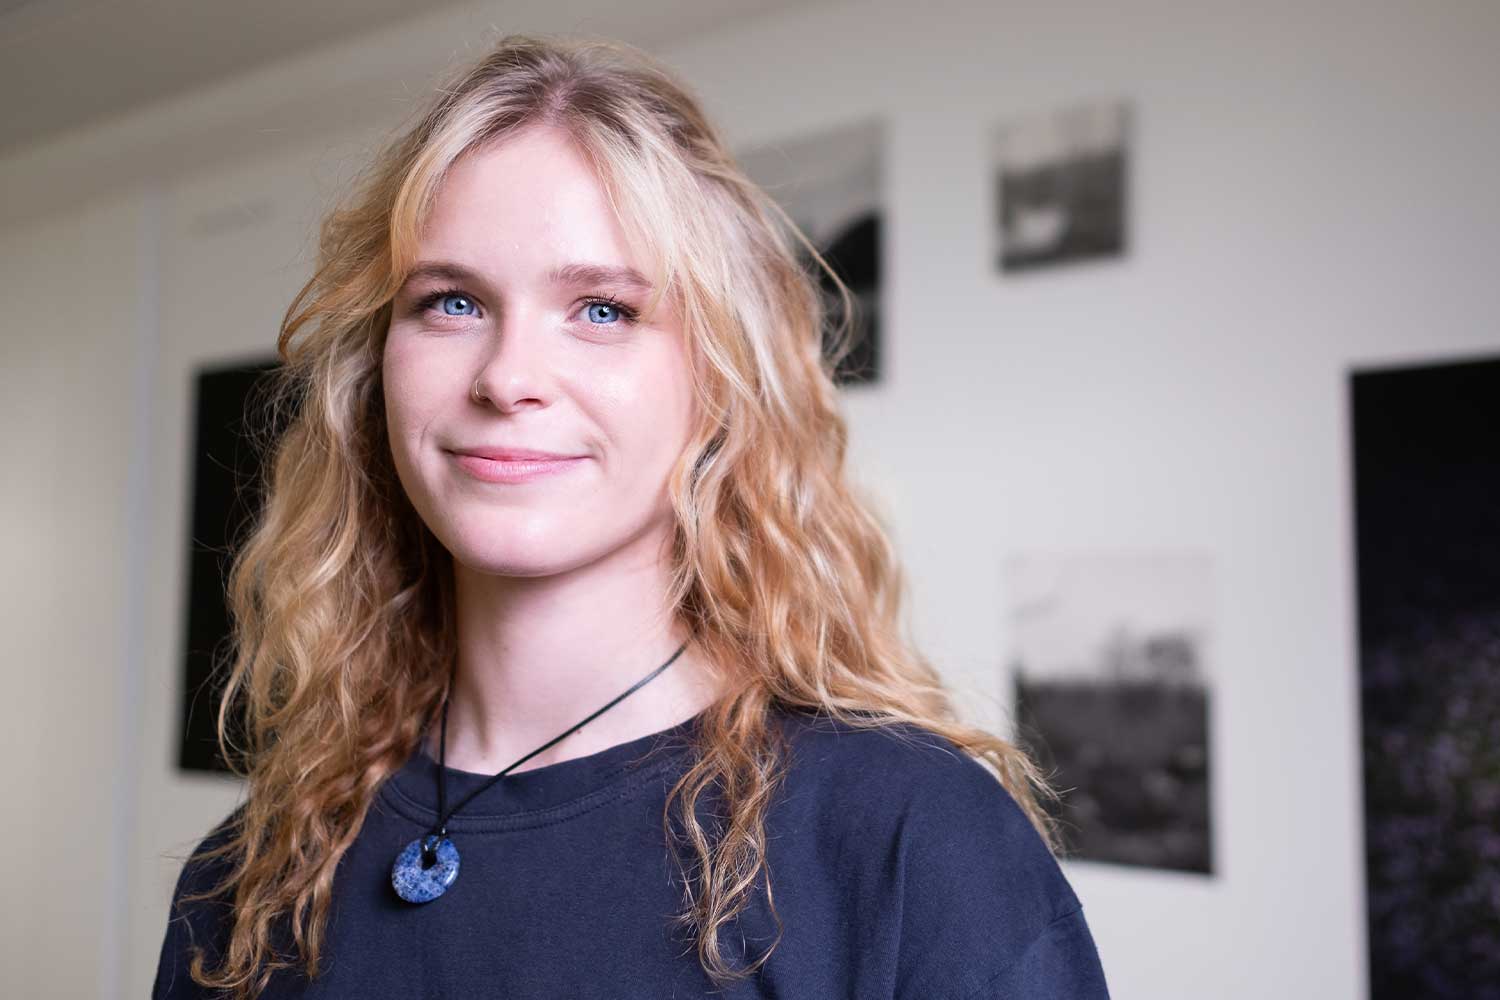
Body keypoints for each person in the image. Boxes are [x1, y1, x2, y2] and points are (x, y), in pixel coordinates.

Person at [153, 34, 1110, 1000]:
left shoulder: (911, 841)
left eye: (603, 310)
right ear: (376, 371)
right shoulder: (245, 880)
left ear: (717, 382)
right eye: (450, 302)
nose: (508, 377)